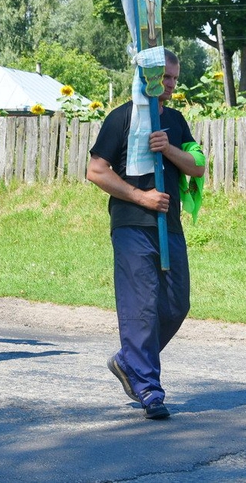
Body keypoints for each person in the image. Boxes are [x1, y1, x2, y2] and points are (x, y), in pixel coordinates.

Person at [86, 49, 204, 420]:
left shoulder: (176, 121)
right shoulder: (122, 117)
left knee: (175, 304)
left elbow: (198, 166)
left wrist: (167, 147)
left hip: (168, 225)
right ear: (147, 77)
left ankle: (128, 360)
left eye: (173, 78)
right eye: (164, 77)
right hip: (131, 224)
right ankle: (148, 388)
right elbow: (96, 170)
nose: (170, 85)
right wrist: (140, 196)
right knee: (141, 308)